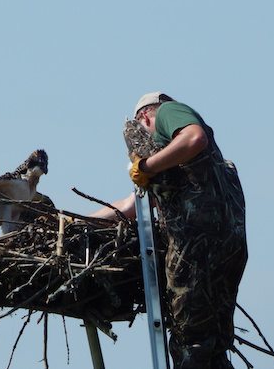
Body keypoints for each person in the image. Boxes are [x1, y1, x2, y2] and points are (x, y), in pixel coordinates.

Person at [92, 92, 247, 369]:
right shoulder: (194, 172)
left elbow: (194, 137)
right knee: (214, 345)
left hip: (195, 248)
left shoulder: (165, 112)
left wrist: (146, 164)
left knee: (189, 341)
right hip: (229, 252)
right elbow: (133, 204)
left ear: (145, 117)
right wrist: (76, 219)